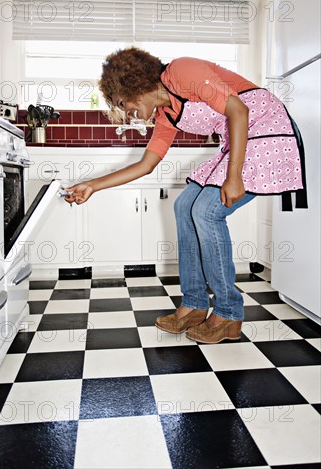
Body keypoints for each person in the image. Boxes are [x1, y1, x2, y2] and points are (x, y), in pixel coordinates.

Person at [65, 47, 307, 344]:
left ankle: (229, 312)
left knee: (206, 211)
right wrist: (93, 185)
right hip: (239, 137)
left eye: (121, 102)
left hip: (266, 128)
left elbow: (239, 110)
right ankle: (194, 304)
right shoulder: (167, 114)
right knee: (183, 206)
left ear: (133, 86)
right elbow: (146, 164)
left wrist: (234, 177)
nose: (125, 112)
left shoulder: (181, 71)